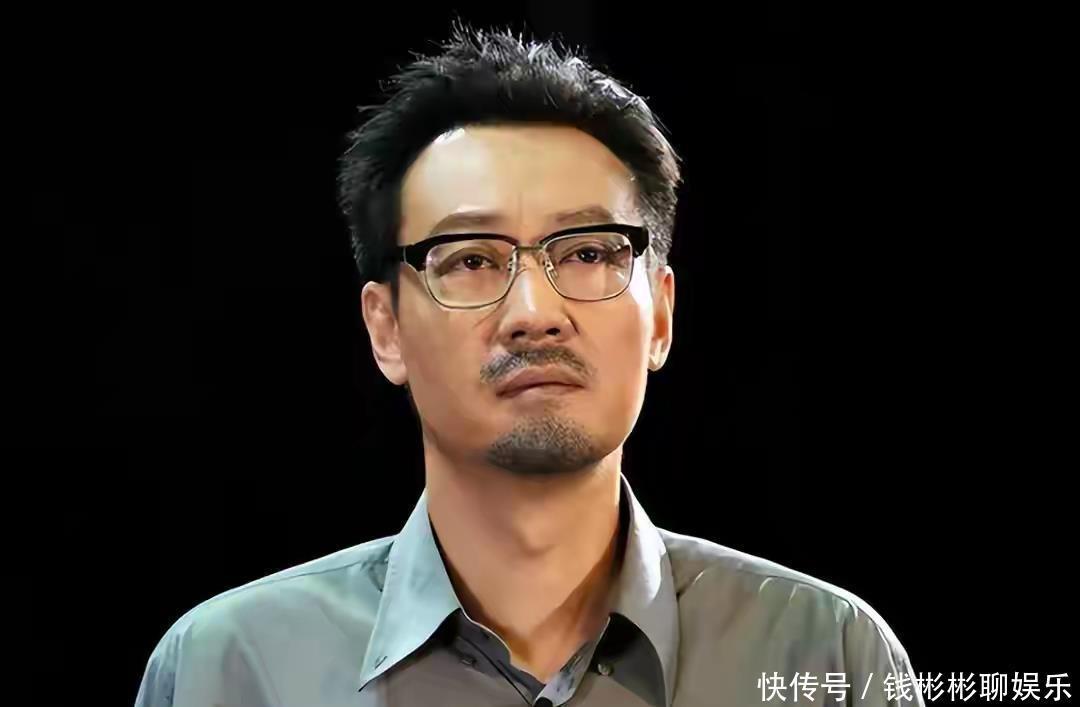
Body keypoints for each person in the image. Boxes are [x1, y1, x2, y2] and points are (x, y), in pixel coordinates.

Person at [135, 23, 924, 707]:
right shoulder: (231, 667)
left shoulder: (826, 651)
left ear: (661, 315)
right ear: (386, 329)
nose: (535, 311)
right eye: (471, 259)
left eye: (587, 252)